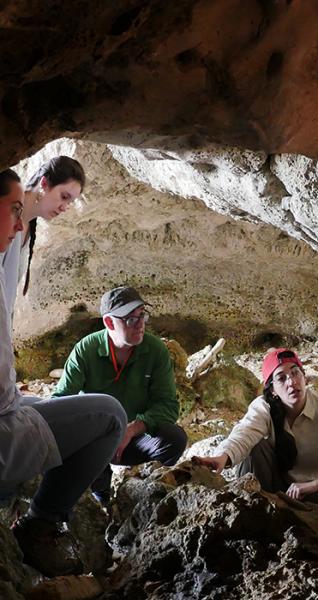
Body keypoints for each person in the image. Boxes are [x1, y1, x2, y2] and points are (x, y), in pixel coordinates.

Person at [0, 170, 127, 577]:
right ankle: (42, 522)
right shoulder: (90, 347)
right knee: (109, 416)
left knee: (56, 408)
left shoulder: (155, 355)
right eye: (14, 211)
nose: (20, 226)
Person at [52, 286, 187, 504]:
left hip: (133, 439)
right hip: (96, 439)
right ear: (109, 323)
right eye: (130, 319)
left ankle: (148, 484)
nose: (140, 324)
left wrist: (132, 429)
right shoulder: (86, 349)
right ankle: (99, 488)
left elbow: (168, 406)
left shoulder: (156, 351)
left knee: (174, 438)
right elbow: (60, 400)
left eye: (142, 315)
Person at [197, 348, 318, 503]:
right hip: (274, 487)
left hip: (316, 492)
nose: (292, 382)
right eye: (281, 378)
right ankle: (252, 509)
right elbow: (244, 433)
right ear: (272, 390)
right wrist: (222, 457)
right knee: (254, 446)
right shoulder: (264, 406)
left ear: (304, 377)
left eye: (295, 373)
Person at [1, 155, 85, 316]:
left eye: (70, 202)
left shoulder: (28, 230)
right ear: (44, 184)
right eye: (64, 197)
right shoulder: (5, 218)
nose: (64, 207)